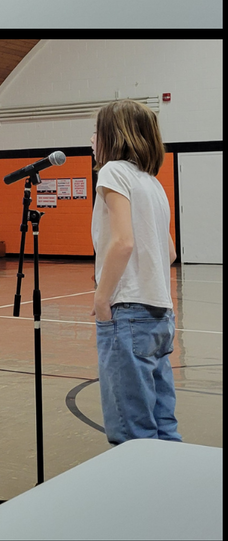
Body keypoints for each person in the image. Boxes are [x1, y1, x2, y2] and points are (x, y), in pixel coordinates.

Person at [90, 99, 181, 445]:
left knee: (131, 432)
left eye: (97, 132)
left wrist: (102, 298)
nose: (92, 139)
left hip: (128, 314)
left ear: (114, 135)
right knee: (163, 423)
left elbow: (123, 242)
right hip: (160, 314)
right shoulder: (152, 183)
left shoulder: (113, 172)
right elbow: (169, 252)